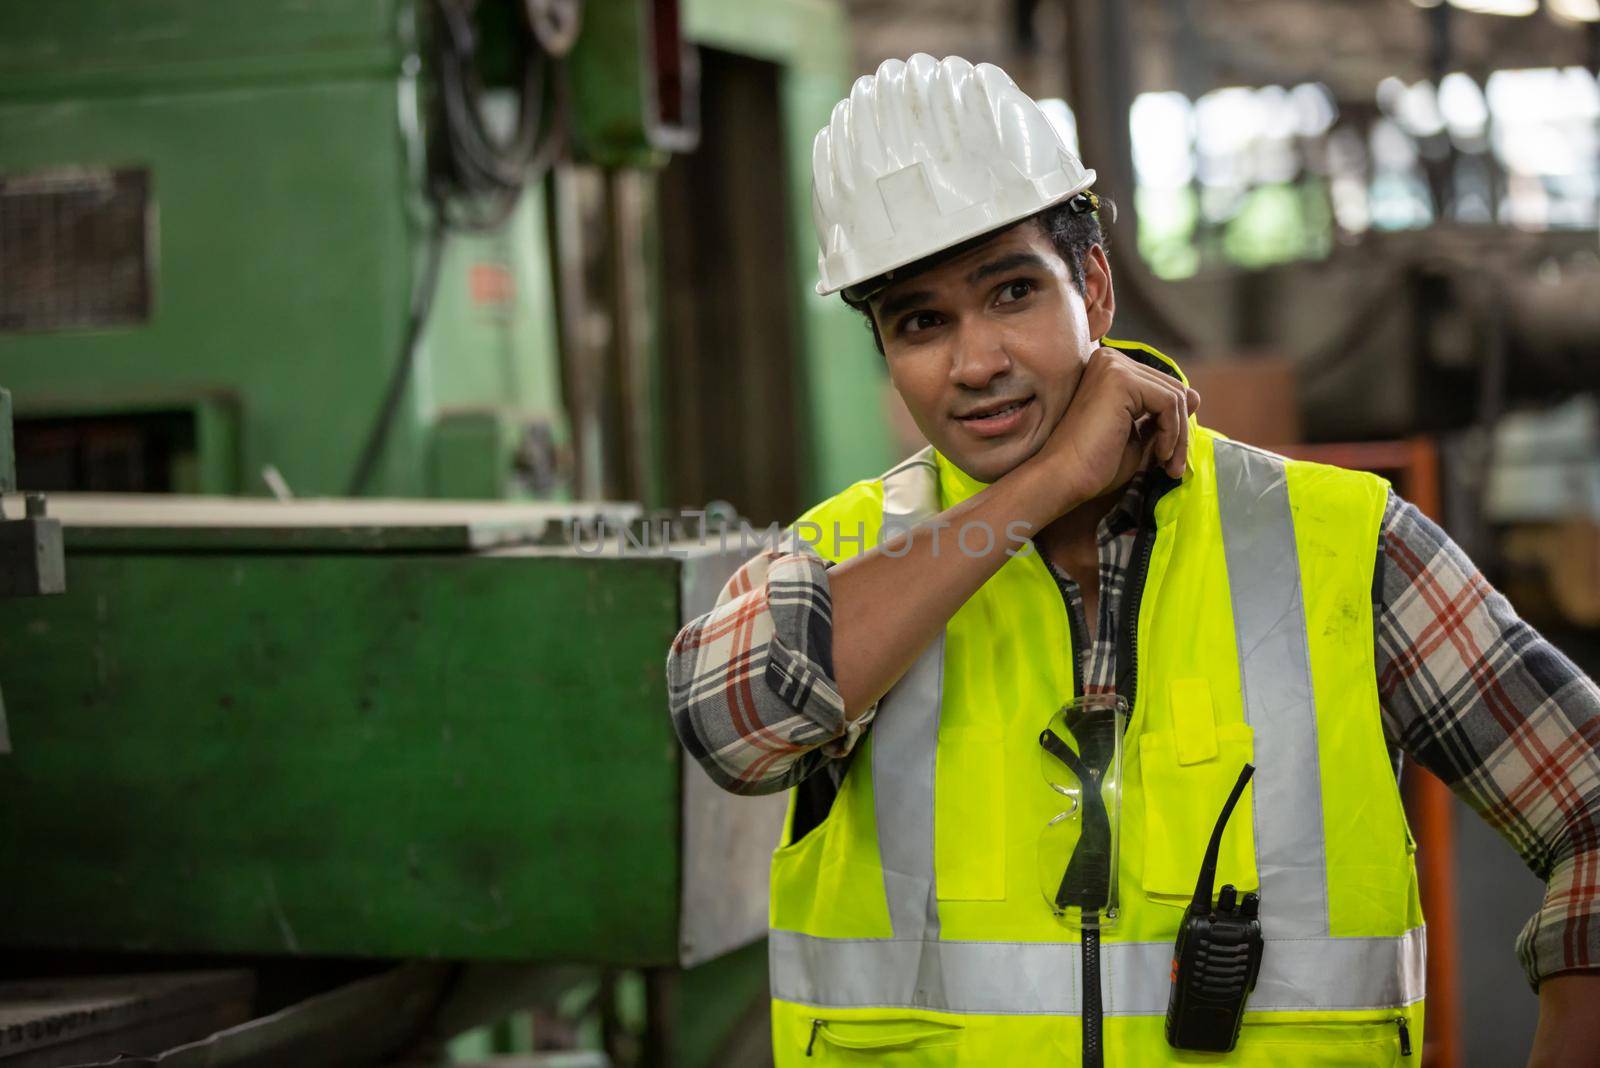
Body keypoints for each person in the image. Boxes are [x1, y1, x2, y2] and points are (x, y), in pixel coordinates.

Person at [667, 54, 1600, 1066]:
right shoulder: (847, 558)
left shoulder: (1343, 546)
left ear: (1094, 286)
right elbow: (729, 725)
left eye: (1012, 292)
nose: (975, 362)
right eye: (921, 322)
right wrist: (1037, 493)